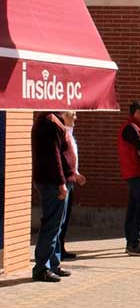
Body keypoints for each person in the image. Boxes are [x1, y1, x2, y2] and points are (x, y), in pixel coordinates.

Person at [31, 112, 85, 282]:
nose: (76, 118)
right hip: (53, 183)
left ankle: (54, 263)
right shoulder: (50, 122)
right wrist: (61, 183)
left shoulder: (54, 122)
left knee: (57, 225)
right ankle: (42, 268)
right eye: (73, 113)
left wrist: (72, 174)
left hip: (57, 181)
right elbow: (53, 156)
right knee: (52, 225)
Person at [118, 101, 140, 256]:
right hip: (136, 172)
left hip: (136, 172)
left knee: (134, 208)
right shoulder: (131, 128)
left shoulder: (135, 128)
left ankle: (131, 243)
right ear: (136, 112)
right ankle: (134, 244)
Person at [59, 111, 79, 261]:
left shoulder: (69, 133)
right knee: (58, 219)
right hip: (62, 181)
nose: (76, 118)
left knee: (65, 218)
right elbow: (58, 160)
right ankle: (55, 254)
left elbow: (71, 157)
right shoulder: (60, 134)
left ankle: (60, 249)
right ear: (64, 116)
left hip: (70, 180)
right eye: (73, 114)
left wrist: (76, 173)